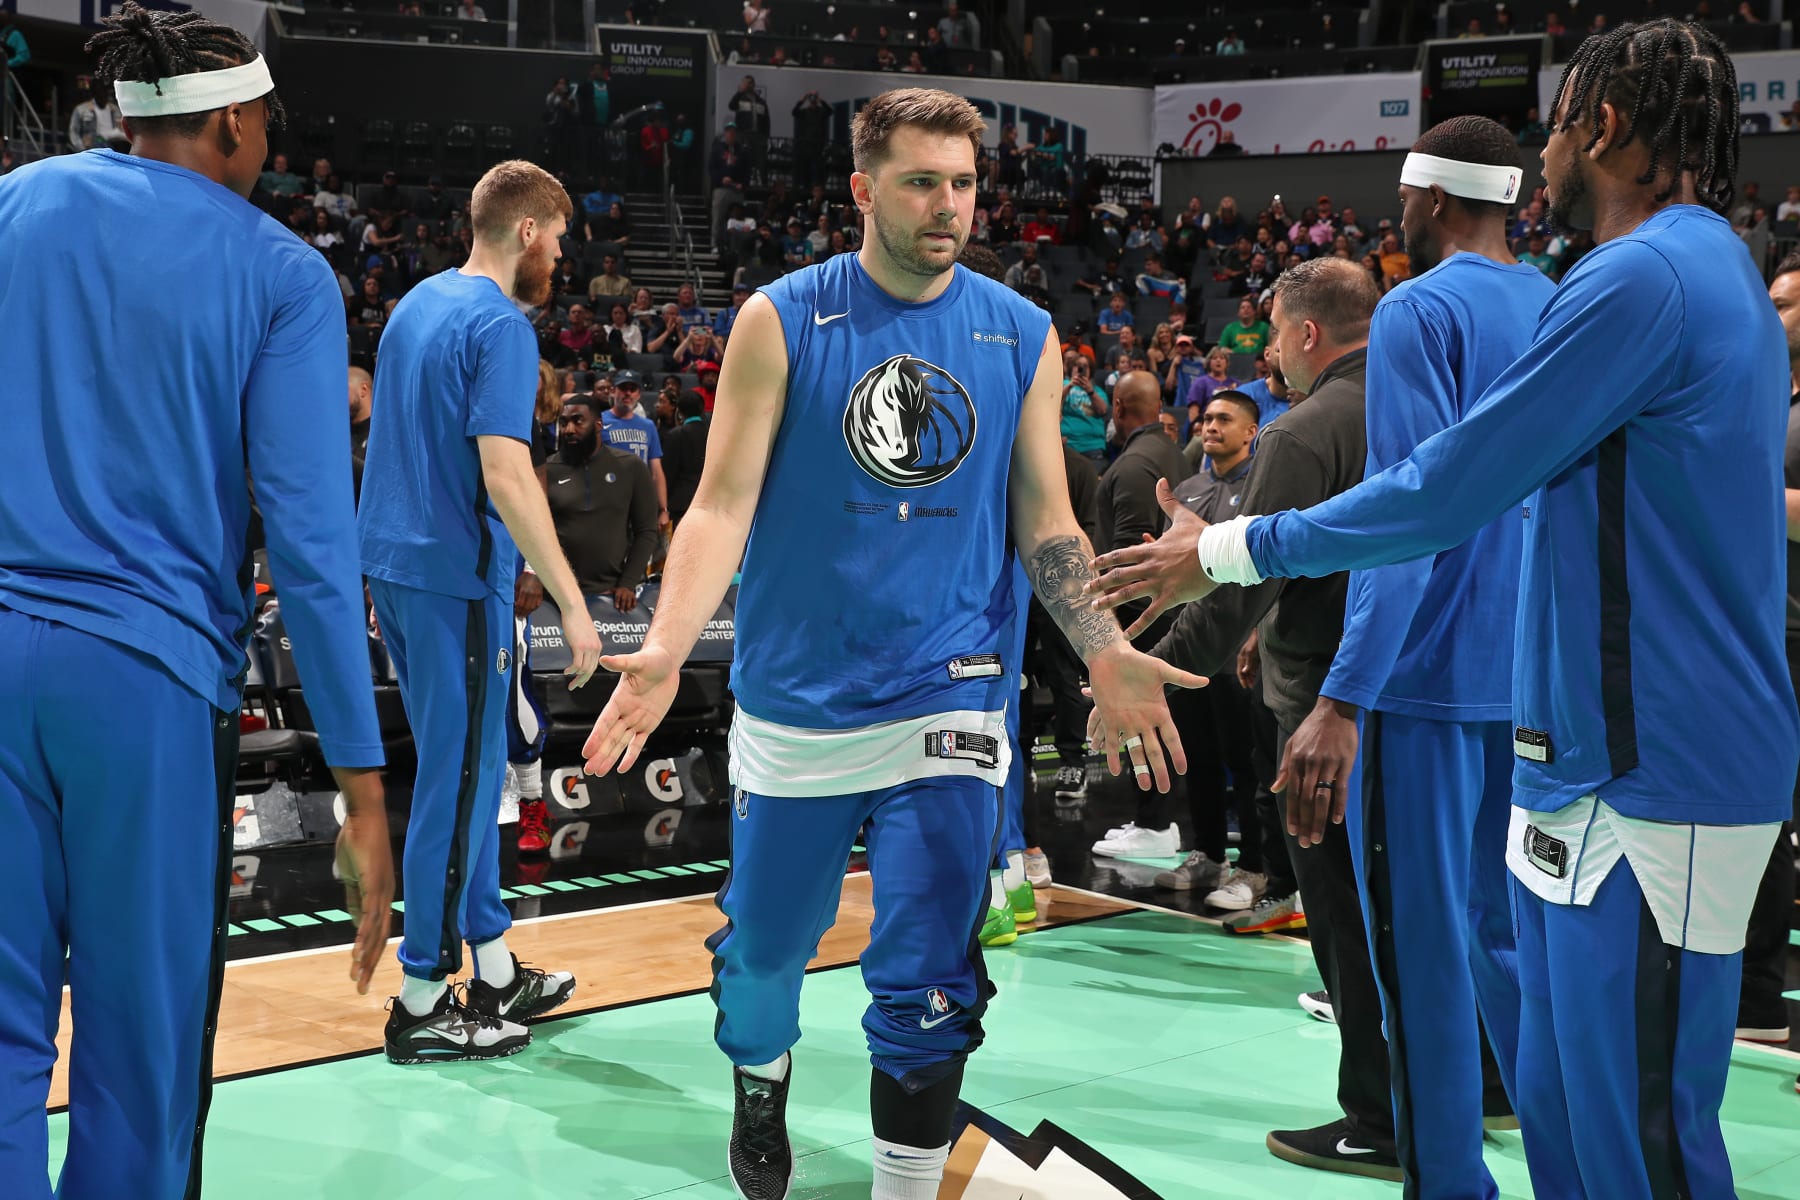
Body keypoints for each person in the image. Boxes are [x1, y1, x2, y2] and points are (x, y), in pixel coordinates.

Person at [1123, 21, 1796, 1195]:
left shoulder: (1637, 278)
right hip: (1581, 750)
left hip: (1648, 770)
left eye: (1559, 119)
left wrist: (1230, 547)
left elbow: (1440, 492)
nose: (1543, 153)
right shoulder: (1684, 267)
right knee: (1569, 1112)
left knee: (1634, 1135)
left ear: (1606, 126)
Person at [578, 87, 1201, 1200]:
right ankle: (759, 1078)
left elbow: (1046, 519)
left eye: (964, 183)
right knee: (765, 958)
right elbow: (719, 504)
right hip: (800, 699)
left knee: (929, 966)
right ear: (864, 190)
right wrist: (669, 649)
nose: (949, 205)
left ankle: (904, 1186)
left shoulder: (1021, 333)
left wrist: (1101, 648)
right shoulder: (781, 318)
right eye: (922, 181)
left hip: (951, 690)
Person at [0, 8, 393, 1197]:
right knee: (142, 1051)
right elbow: (315, 552)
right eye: (268, 113)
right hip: (145, 683)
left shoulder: (17, 205)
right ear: (232, 117)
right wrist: (364, 794)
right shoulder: (281, 271)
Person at [1263, 117, 1556, 1195]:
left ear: (1428, 199)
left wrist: (1343, 695)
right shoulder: (1559, 301)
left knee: (1424, 957)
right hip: (1534, 675)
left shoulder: (1419, 310)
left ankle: (1446, 1181)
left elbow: (1409, 520)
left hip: (1428, 683)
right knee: (1520, 944)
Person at [1093, 258, 1401, 1177]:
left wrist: (1152, 670)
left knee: (1344, 916)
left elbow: (1242, 578)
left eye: (1272, 332)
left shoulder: (1305, 430)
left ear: (1307, 334)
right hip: (1410, 691)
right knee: (1410, 909)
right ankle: (1473, 1083)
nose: (1268, 350)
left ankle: (1380, 1117)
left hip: (1325, 703)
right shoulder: (1419, 396)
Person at [358, 160, 603, 1064]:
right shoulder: (501, 326)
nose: (562, 258)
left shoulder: (419, 303)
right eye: (561, 239)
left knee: (466, 768)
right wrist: (574, 605)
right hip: (452, 578)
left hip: (396, 564)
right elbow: (504, 474)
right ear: (530, 231)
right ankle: (423, 996)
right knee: (460, 787)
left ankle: (493, 967)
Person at [598, 369, 671, 524]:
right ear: (613, 391)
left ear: (639, 394)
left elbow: (656, 470)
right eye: (623, 388)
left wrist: (663, 509)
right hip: (609, 500)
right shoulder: (600, 422)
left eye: (633, 389)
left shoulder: (648, 426)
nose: (628, 393)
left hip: (641, 500)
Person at [659, 389, 710, 526]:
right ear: (702, 409)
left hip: (680, 505)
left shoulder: (676, 435)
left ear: (679, 411)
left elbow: (668, 473)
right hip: (707, 502)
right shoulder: (712, 434)